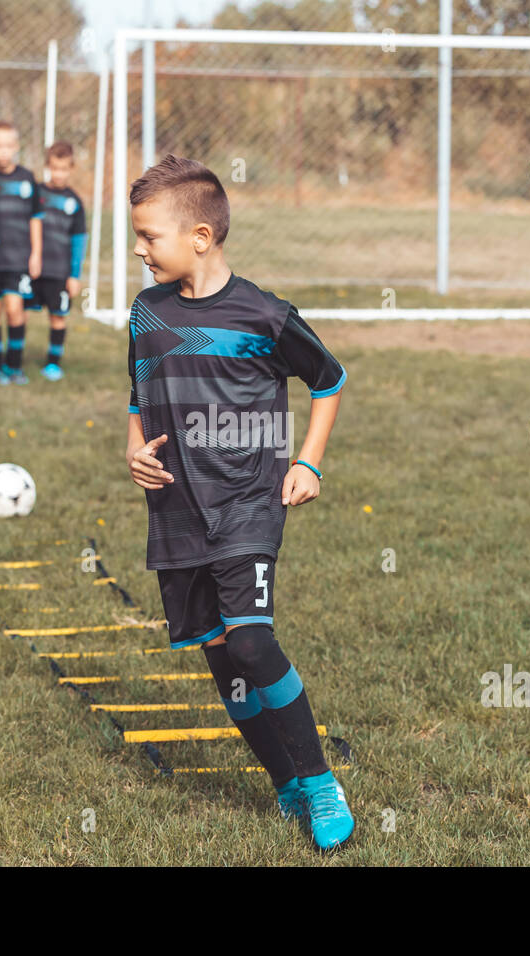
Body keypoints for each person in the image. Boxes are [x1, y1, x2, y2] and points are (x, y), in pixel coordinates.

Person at [124, 155, 353, 851]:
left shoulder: (264, 314)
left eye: (148, 238)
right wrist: (132, 448)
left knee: (252, 641)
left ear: (200, 236)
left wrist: (308, 460)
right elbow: (139, 398)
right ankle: (283, 779)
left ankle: (319, 782)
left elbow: (330, 378)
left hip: (248, 501)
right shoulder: (145, 314)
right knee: (221, 655)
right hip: (176, 509)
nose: (139, 250)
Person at [0, 121, 42, 384]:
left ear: (15, 148)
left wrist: (36, 252)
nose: (3, 151)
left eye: (8, 146)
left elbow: (35, 218)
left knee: (15, 310)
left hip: (18, 257)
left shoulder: (26, 178)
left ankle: (14, 367)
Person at [29, 141, 87, 382]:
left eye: (64, 169)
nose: (59, 174)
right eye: (54, 168)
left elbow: (79, 241)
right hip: (33, 268)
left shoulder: (75, 202)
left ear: (71, 168)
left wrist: (74, 275)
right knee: (19, 312)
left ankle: (53, 364)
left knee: (57, 316)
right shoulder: (37, 194)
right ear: (47, 167)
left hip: (59, 271)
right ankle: (12, 362)